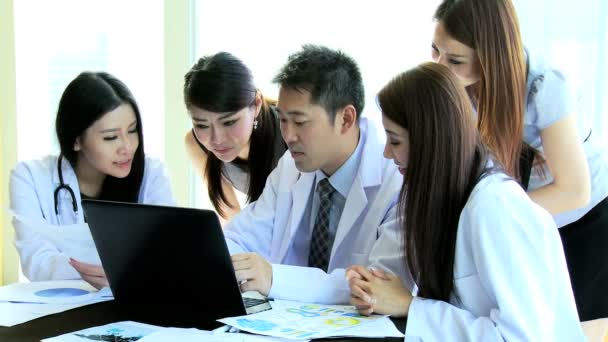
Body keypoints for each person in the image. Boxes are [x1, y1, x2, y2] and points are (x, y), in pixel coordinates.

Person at [346, 62, 584, 341]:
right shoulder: (440, 198)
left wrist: (411, 307)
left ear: (429, 141)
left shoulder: (495, 207)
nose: (386, 153)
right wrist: (370, 288)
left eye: (395, 141)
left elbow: (519, 337)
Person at [431, 0, 608, 321]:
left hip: (587, 220)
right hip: (532, 221)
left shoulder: (544, 86)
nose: (441, 66)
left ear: (490, 56)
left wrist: (493, 216)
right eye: (435, 51)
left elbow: (573, 191)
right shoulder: (463, 85)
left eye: (455, 59)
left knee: (572, 330)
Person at [223, 44, 408, 304]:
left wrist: (274, 278)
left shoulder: (396, 179)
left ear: (345, 119)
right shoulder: (290, 167)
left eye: (299, 122)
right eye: (282, 120)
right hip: (288, 323)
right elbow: (240, 237)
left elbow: (382, 285)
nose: (288, 136)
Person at [10, 72, 175, 288]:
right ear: (76, 140)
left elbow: (169, 251)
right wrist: (118, 264)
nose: (127, 147)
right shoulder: (29, 177)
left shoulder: (152, 173)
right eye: (111, 137)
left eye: (132, 131)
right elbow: (37, 262)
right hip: (66, 308)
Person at [183, 52, 286, 223]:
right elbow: (233, 220)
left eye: (229, 122)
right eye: (201, 125)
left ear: (257, 104)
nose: (217, 139)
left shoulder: (289, 133)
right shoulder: (195, 144)